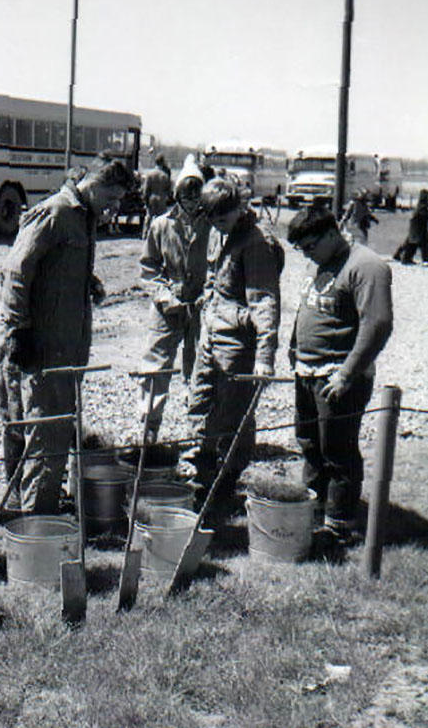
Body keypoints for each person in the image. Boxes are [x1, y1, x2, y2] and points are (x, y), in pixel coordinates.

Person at [0, 157, 136, 514]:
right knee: (45, 437)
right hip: (41, 348)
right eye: (112, 198)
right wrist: (19, 332)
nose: (114, 207)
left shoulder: (84, 218)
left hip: (66, 349)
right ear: (94, 185)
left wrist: (88, 282)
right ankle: (39, 525)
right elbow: (15, 274)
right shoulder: (54, 213)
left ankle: (30, 510)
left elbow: (55, 268)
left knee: (46, 431)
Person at [288, 206, 393, 541]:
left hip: (337, 378)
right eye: (301, 250)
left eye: (310, 247)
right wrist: (294, 348)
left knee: (337, 451)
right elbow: (308, 307)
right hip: (308, 372)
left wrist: (346, 374)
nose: (306, 255)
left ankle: (340, 524)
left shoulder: (366, 266)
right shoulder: (319, 260)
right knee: (309, 445)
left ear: (332, 233)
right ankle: (313, 511)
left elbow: (377, 324)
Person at [183, 177, 283, 513]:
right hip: (210, 336)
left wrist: (265, 356)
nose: (217, 226)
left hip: (238, 344)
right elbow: (213, 277)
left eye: (222, 220)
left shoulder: (257, 244)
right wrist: (206, 300)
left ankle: (225, 487)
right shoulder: (217, 232)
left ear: (239, 209)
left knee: (233, 415)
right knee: (199, 402)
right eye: (211, 220)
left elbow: (265, 300)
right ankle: (202, 475)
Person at [138, 154, 211, 444]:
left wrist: (210, 294)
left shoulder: (213, 225)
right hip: (167, 307)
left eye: (197, 194)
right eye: (186, 194)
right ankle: (149, 431)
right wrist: (164, 295)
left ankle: (198, 434)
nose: (191, 201)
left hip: (202, 306)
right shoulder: (161, 225)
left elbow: (220, 267)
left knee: (200, 368)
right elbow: (149, 268)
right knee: (155, 367)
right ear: (177, 194)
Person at [393, 188, 428, 264]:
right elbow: (427, 216)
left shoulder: (422, 206)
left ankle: (400, 256)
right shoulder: (422, 206)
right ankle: (412, 258)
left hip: (418, 228)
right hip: (418, 228)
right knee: (417, 243)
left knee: (417, 242)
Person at [141, 154, 173, 236]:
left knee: (148, 217)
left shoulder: (150, 174)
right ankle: (161, 234)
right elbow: (169, 190)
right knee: (162, 218)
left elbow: (146, 189)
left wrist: (145, 199)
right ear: (162, 163)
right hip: (161, 198)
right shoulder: (164, 175)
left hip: (152, 198)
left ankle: (145, 233)